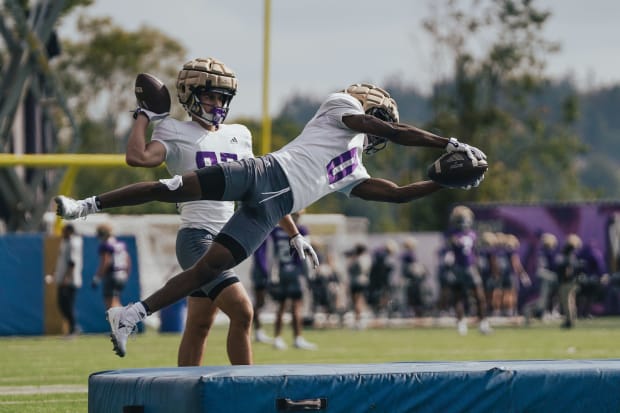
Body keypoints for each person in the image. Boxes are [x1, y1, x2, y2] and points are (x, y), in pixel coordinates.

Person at [55, 82, 486, 357]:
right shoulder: (341, 106)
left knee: (209, 269)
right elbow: (393, 132)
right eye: (380, 121)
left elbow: (397, 196)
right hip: (261, 175)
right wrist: (447, 142)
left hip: (271, 210)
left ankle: (130, 314)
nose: (381, 129)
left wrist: (439, 181)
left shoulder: (354, 168)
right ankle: (86, 206)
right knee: (169, 188)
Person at [124, 57, 289, 365]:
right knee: (243, 312)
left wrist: (293, 234)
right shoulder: (173, 130)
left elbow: (261, 190)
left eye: (222, 97)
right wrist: (143, 116)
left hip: (227, 240)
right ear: (189, 95)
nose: (216, 103)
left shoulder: (240, 134)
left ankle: (185, 395)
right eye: (210, 95)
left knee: (199, 325)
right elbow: (137, 157)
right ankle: (249, 389)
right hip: (196, 238)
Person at [269, 211, 317, 350]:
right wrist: (309, 275)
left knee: (281, 306)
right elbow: (306, 254)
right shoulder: (301, 230)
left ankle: (277, 338)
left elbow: (272, 254)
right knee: (296, 306)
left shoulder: (276, 231)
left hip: (282, 271)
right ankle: (297, 338)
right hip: (296, 272)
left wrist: (272, 273)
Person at [444, 206, 491, 335]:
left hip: (469, 267)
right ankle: (462, 323)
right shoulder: (452, 233)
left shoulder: (472, 234)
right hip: (459, 267)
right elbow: (449, 248)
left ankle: (482, 323)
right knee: (459, 296)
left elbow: (475, 252)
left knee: (479, 296)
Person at [91, 224, 131, 310]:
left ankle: (121, 322)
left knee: (110, 305)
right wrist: (126, 274)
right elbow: (128, 261)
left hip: (112, 276)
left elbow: (106, 262)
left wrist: (97, 277)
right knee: (116, 301)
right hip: (122, 275)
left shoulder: (106, 246)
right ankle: (124, 321)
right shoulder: (121, 245)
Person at [53, 223, 83, 336]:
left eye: (64, 231)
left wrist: (66, 278)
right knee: (62, 304)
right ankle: (73, 327)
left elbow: (72, 262)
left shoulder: (72, 242)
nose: (62, 233)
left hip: (70, 280)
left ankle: (74, 328)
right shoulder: (65, 242)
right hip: (64, 279)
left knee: (67, 305)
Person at [556, 234, 583, 329]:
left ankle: (569, 320)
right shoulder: (575, 253)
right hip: (572, 281)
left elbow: (568, 268)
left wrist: (566, 277)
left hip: (567, 281)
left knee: (566, 301)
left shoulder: (568, 253)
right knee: (571, 301)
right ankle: (572, 319)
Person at [250, 238, 274, 344]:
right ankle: (257, 331)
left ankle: (258, 331)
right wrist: (266, 272)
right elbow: (259, 254)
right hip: (260, 273)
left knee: (260, 303)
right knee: (259, 302)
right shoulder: (262, 234)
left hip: (261, 271)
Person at [345, 243, 372, 329]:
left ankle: (359, 321)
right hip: (362, 281)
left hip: (356, 282)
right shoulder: (366, 258)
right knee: (360, 301)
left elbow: (349, 269)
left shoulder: (356, 259)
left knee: (357, 302)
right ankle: (359, 320)